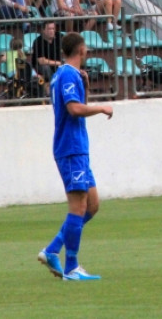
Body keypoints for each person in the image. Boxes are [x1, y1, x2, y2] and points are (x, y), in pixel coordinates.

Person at [36, 32, 113, 281]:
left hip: (77, 148)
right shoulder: (68, 74)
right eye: (86, 48)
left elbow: (77, 105)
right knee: (78, 206)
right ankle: (71, 267)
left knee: (92, 205)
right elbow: (73, 108)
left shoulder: (65, 75)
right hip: (70, 148)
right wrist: (101, 107)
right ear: (81, 50)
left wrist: (87, 89)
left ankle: (52, 250)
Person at [32, 21, 63, 91]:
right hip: (41, 66)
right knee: (45, 68)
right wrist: (58, 63)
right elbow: (41, 61)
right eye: (49, 29)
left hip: (56, 64)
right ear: (43, 30)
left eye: (53, 29)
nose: (52, 31)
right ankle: (53, 87)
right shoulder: (38, 42)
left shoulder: (59, 37)